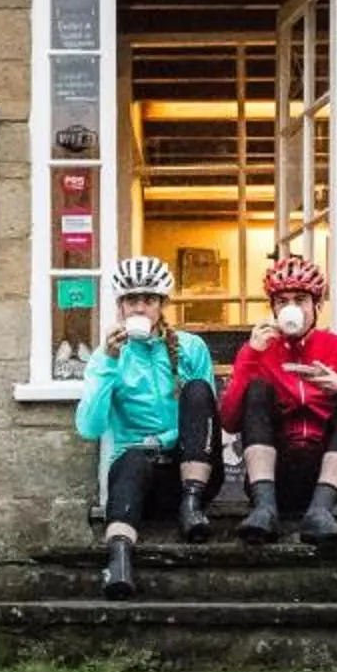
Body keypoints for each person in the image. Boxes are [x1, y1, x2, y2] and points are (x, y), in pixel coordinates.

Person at [73, 252, 218, 599]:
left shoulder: (191, 347)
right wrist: (108, 362)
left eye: (148, 300)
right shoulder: (107, 356)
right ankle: (119, 563)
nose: (140, 308)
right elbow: (90, 427)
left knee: (197, 390)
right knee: (133, 461)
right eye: (131, 300)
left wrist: (164, 439)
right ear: (121, 307)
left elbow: (205, 413)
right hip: (138, 480)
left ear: (161, 305)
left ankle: (191, 507)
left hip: (189, 475)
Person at [219, 251, 337, 548]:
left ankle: (319, 512)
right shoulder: (258, 350)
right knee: (256, 390)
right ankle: (265, 510)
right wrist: (250, 356)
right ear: (273, 308)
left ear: (317, 305)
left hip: (325, 477)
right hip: (273, 475)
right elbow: (229, 421)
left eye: (300, 300)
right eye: (283, 301)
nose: (291, 308)